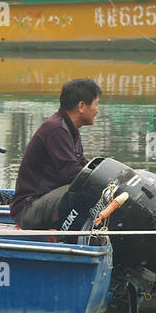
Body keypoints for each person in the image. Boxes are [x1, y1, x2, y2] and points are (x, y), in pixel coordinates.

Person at [9, 78, 101, 229]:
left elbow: (85, 166)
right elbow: (72, 174)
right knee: (85, 189)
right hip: (28, 210)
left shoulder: (70, 130)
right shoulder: (56, 129)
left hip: (43, 202)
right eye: (96, 104)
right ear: (82, 106)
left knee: (92, 185)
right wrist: (104, 186)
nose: (97, 110)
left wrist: (118, 176)